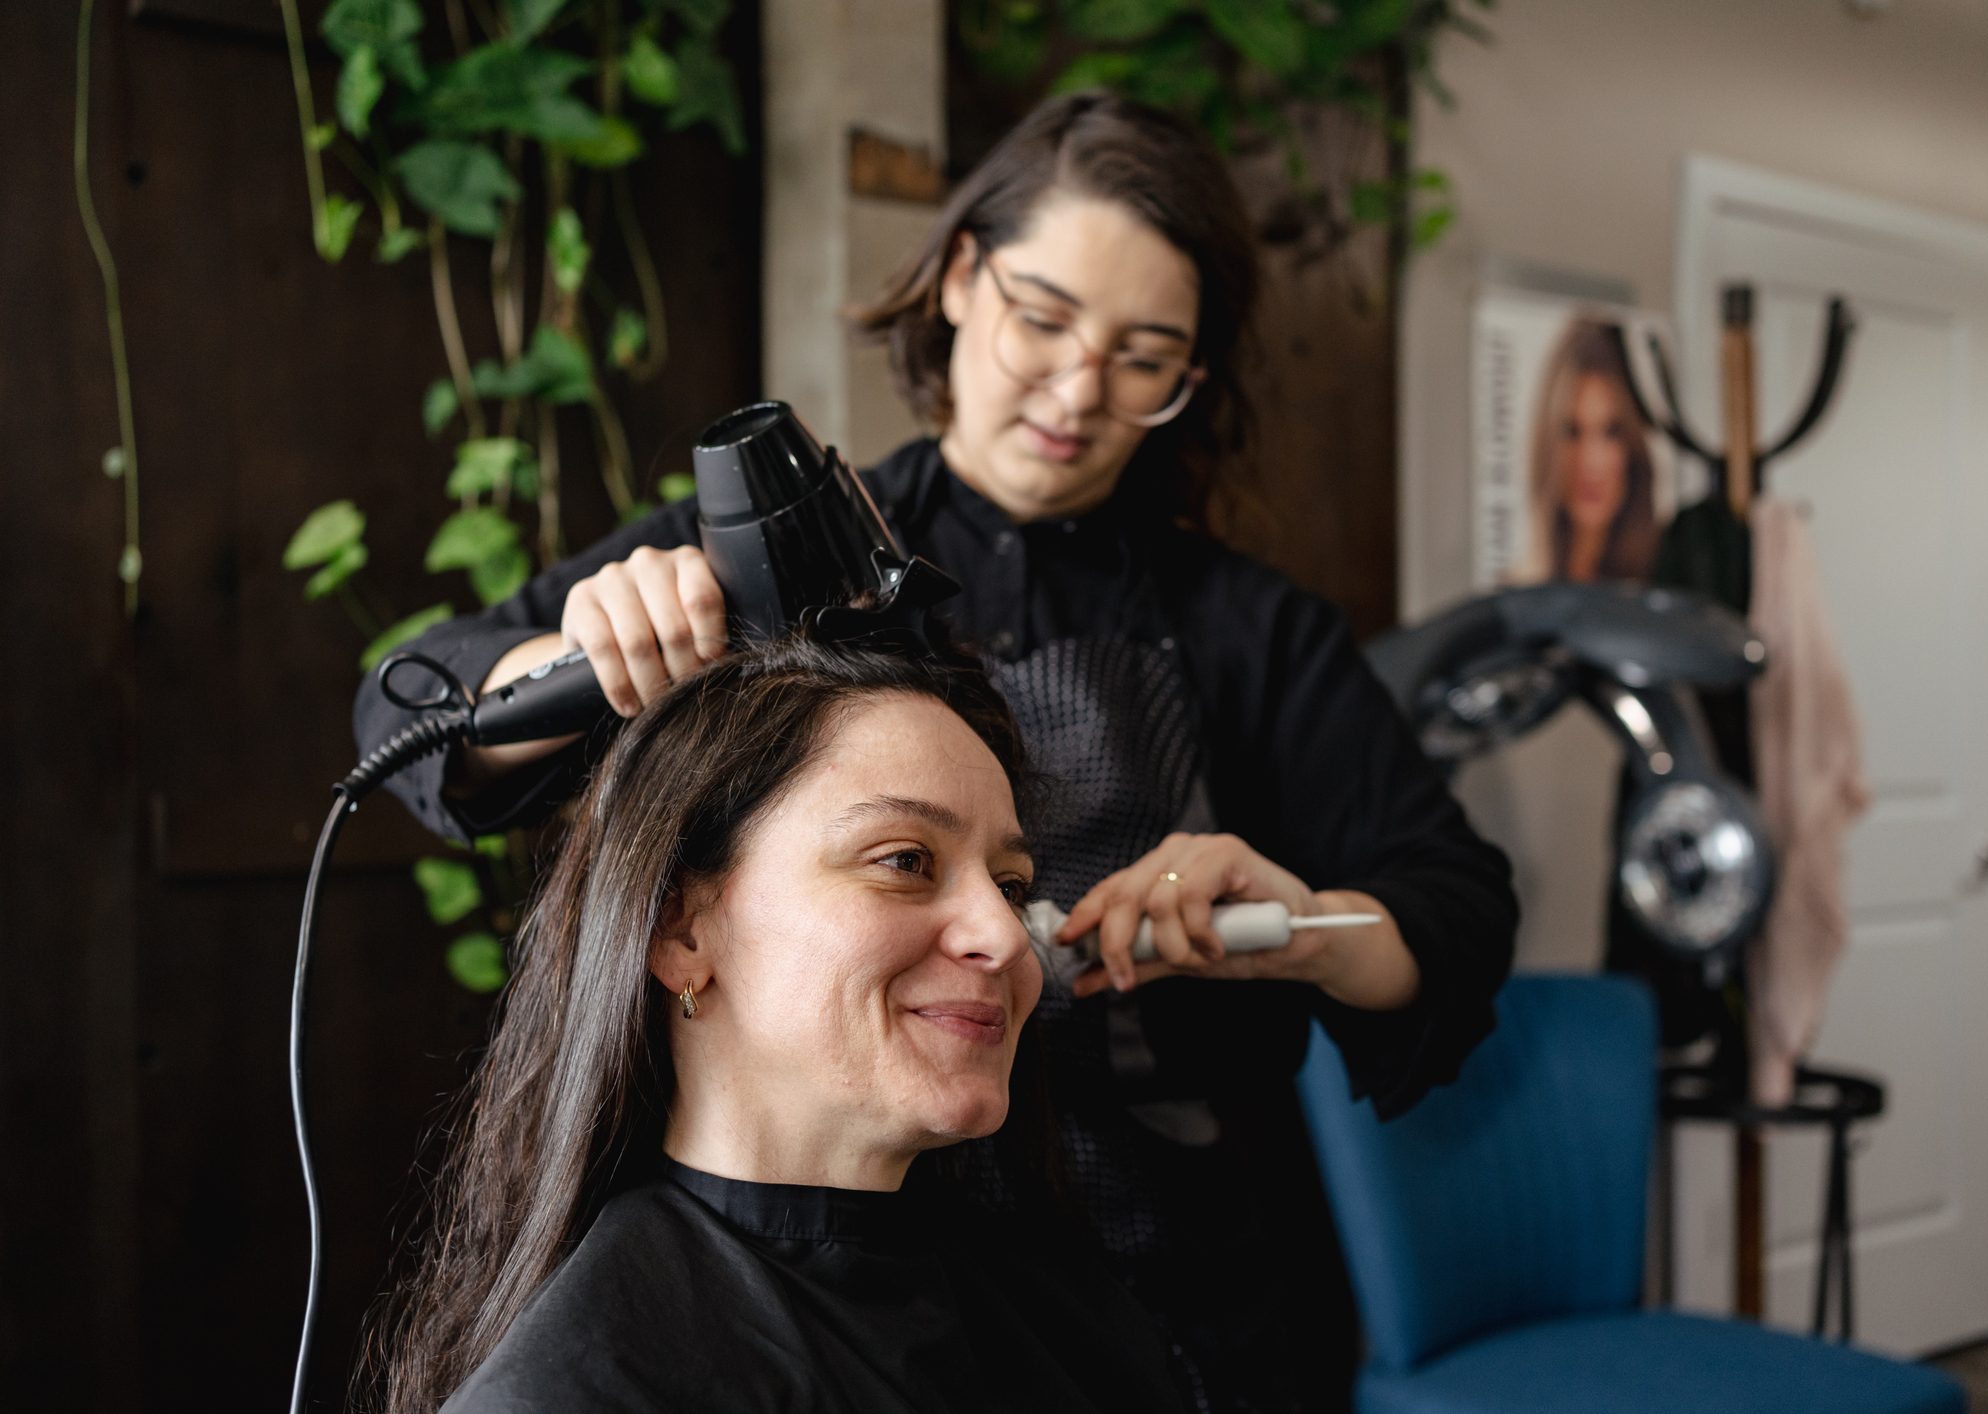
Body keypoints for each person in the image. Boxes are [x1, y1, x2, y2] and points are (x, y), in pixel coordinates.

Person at [356, 92, 1519, 1412]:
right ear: (963, 278)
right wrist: (571, 657)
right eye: (1045, 318)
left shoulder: (1251, 632)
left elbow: (1452, 906)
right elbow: (411, 717)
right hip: (853, 1249)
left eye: (1146, 357)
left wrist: (1299, 924)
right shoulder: (781, 555)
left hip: (1180, 1278)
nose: (1079, 391)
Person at [366, 635, 1190, 1413]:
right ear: (682, 933)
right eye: (904, 861)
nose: (1008, 938)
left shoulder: (1077, 1325)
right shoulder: (579, 1389)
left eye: (1009, 885)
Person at [1521, 317, 1662, 583]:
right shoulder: (1516, 597)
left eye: (1611, 432)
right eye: (1572, 432)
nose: (1591, 462)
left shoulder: (1661, 586)